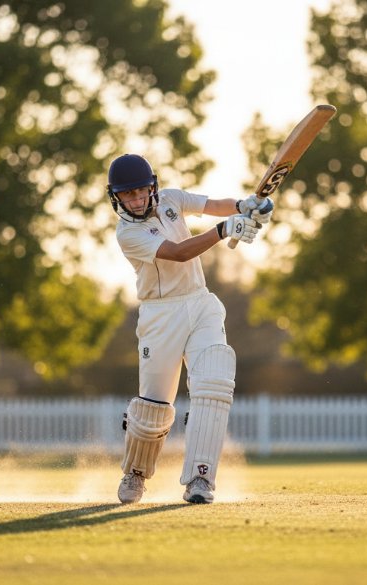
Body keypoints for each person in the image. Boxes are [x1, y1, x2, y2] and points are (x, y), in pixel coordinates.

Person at [107, 153, 274, 504]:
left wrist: (245, 205)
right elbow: (180, 253)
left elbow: (214, 204)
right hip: (159, 316)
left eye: (140, 192)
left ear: (152, 186)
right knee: (153, 408)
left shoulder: (172, 199)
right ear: (116, 197)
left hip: (200, 303)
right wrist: (224, 229)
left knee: (213, 382)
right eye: (127, 195)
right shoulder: (128, 233)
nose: (135, 201)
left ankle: (200, 479)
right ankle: (135, 474)